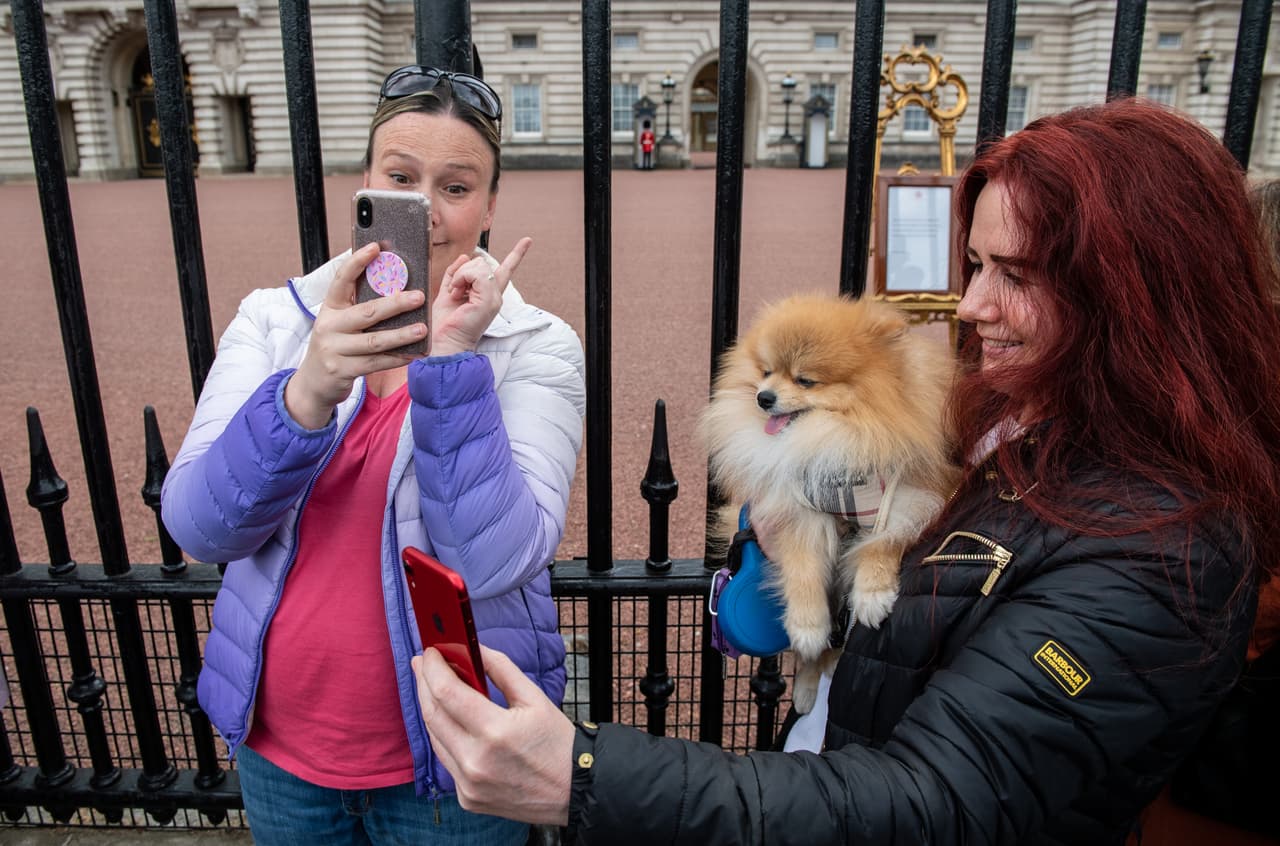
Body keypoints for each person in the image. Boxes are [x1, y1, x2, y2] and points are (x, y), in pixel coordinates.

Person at [412, 98, 1280, 844]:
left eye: (1015, 275)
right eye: (976, 264)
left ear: (1137, 294)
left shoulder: (1165, 551)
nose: (971, 305)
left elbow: (937, 803)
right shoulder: (1008, 418)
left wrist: (587, 778)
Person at [162, 66, 586, 845]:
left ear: (491, 205)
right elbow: (199, 527)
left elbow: (496, 559)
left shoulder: (537, 344)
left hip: (455, 754)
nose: (423, 209)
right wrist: (308, 392)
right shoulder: (275, 322)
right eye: (400, 178)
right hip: (283, 749)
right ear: (366, 185)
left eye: (455, 187)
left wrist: (453, 364)